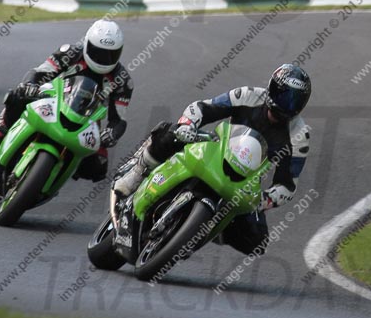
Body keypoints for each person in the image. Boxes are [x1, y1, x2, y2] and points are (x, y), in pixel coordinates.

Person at [114, 64, 312, 256]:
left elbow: (287, 185)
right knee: (170, 134)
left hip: (245, 181)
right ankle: (137, 172)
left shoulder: (299, 136)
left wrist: (265, 200)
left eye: (295, 101)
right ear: (272, 88)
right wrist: (188, 125)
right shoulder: (249, 95)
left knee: (257, 241)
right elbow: (203, 108)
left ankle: (208, 229)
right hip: (217, 150)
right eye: (284, 95)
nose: (288, 105)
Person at [0, 19, 133, 182]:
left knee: (97, 170)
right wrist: (29, 85)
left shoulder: (122, 80)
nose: (104, 59)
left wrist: (111, 134)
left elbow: (118, 119)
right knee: (19, 95)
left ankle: (55, 173)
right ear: (87, 44)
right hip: (52, 98)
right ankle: (1, 125)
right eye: (98, 52)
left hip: (88, 120)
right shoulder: (70, 53)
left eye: (111, 54)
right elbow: (39, 72)